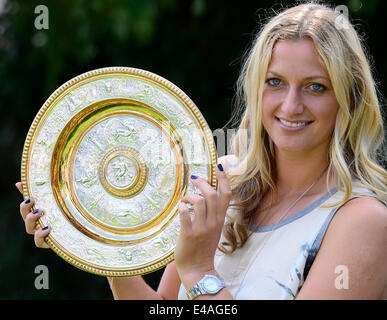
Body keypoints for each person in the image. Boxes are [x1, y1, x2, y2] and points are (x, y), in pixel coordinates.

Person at [16, 2, 387, 299]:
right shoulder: (220, 181)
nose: (290, 105)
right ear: (256, 88)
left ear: (349, 98)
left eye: (315, 87)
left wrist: (200, 273)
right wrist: (99, 238)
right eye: (275, 82)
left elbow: (196, 278)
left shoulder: (362, 220)